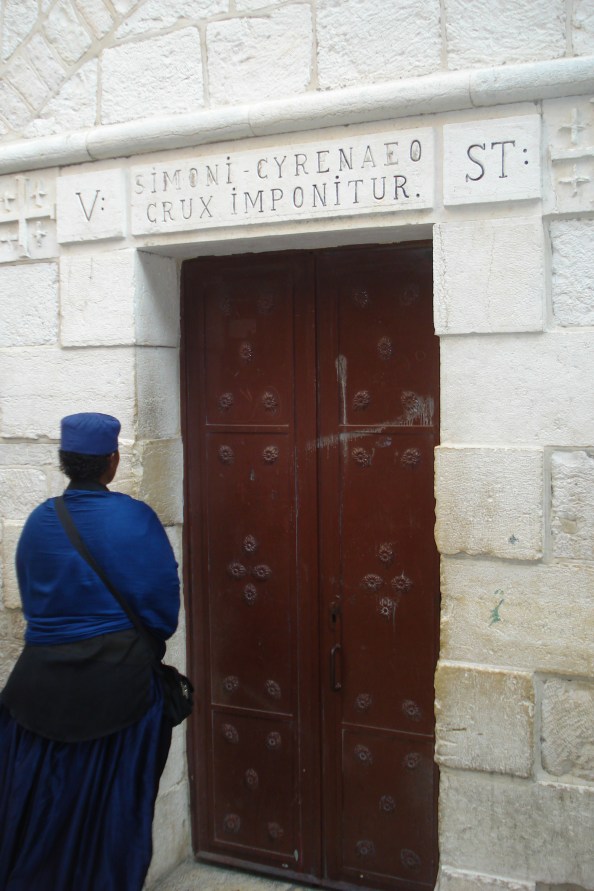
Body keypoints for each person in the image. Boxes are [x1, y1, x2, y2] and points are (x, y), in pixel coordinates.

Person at [0, 412, 180, 891]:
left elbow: (33, 603)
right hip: (117, 695)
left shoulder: (39, 520)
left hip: (37, 692)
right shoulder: (134, 518)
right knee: (108, 823)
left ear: (64, 462)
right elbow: (162, 613)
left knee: (38, 817)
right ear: (113, 461)